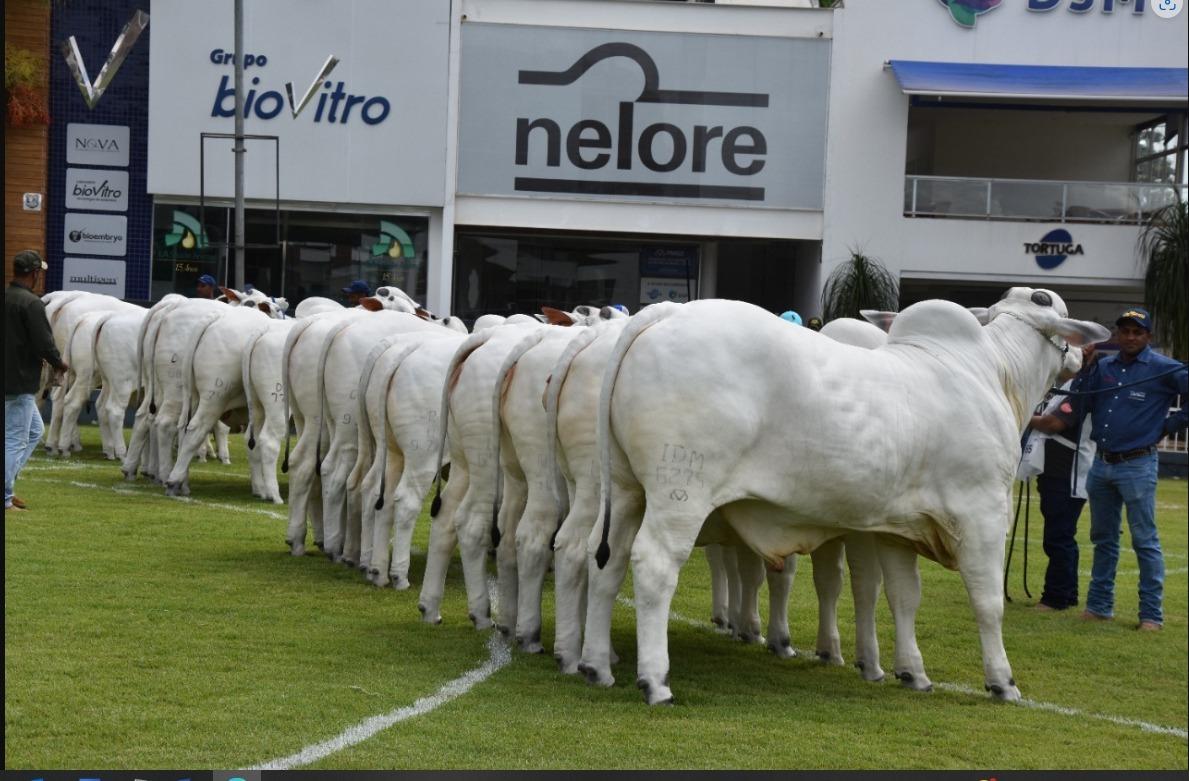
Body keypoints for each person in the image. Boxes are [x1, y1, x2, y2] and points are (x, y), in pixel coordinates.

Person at [1073, 307, 1187, 630]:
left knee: (1144, 540)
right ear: (1117, 335)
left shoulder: (1163, 368)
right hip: (1101, 463)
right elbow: (1082, 400)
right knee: (1103, 539)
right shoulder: (1105, 367)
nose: (1130, 337)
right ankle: (1098, 607)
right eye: (1125, 331)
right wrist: (1085, 366)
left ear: (1148, 336)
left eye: (1137, 332)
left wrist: (1169, 425)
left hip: (1138, 464)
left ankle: (1151, 615)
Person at [1023, 372, 1095, 612]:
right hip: (1055, 470)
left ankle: (1054, 597)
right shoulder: (1065, 384)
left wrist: (1020, 415)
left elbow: (1054, 424)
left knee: (1058, 536)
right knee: (1062, 534)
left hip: (1068, 472)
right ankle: (1068, 593)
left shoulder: (1081, 385)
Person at [6, 250, 69, 512]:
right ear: (34, 273)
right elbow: (44, 342)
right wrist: (59, 363)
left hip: (10, 378)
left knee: (34, 431)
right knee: (14, 439)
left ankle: (7, 483)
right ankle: (5, 497)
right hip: (19, 380)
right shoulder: (31, 303)